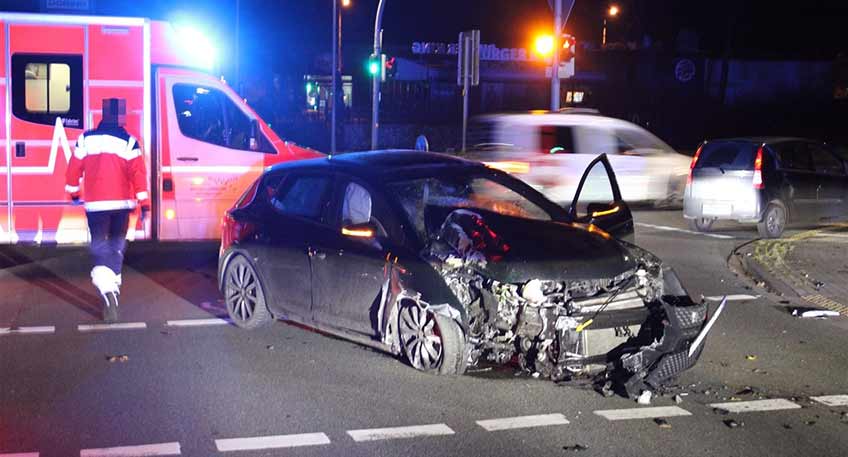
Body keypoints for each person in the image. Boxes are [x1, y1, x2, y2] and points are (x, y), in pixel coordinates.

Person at [64, 98, 149, 322]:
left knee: (100, 247)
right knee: (116, 247)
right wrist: (145, 203)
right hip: (121, 205)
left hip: (96, 207)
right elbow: (138, 176)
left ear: (103, 116)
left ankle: (107, 291)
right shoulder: (130, 142)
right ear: (121, 118)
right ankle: (113, 289)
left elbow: (73, 169)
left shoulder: (86, 139)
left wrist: (74, 193)